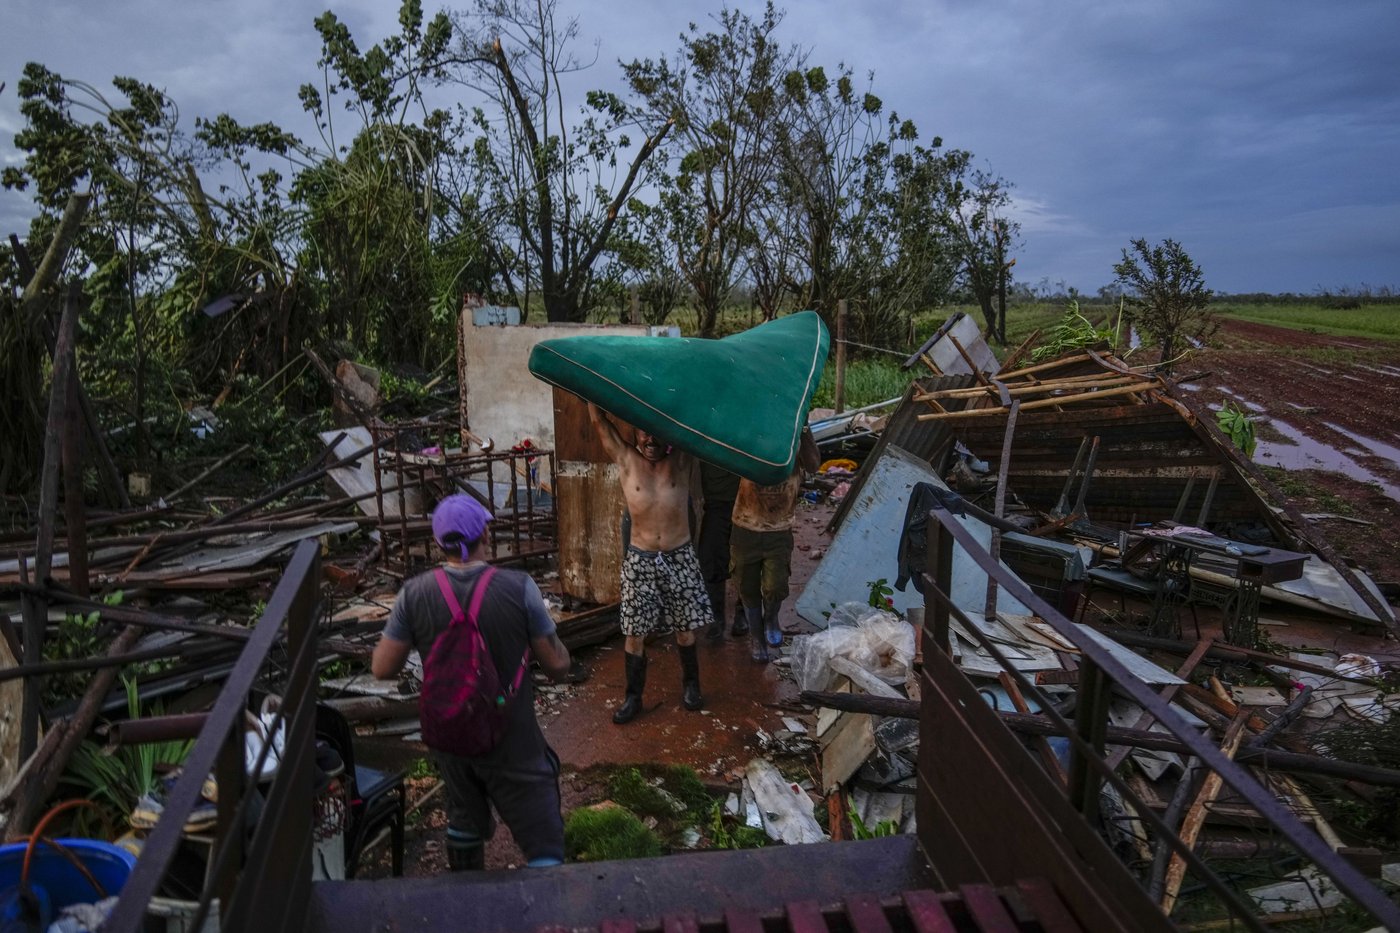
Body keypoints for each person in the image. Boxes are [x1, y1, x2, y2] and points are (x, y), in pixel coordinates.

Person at [371, 494, 572, 871]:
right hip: (512, 738)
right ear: (486, 534)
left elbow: (382, 668)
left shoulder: (413, 594)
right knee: (542, 834)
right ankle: (548, 911)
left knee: (462, 813)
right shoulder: (519, 587)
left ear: (438, 543)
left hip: (451, 738)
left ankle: (467, 897)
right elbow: (558, 665)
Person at [588, 402, 710, 724]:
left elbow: (700, 422)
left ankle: (691, 686)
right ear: (635, 432)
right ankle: (633, 697)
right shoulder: (626, 460)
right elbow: (599, 419)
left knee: (684, 630)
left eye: (657, 434)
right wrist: (589, 389)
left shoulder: (681, 460)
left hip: (679, 555)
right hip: (640, 559)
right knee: (634, 633)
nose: (651, 440)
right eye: (644, 433)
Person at [730, 427, 821, 663]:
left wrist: (804, 431)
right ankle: (757, 637)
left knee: (775, 585)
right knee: (747, 586)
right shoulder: (752, 432)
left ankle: (771, 618)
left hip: (779, 527)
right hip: (745, 525)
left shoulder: (795, 438)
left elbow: (813, 465)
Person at [697, 461, 743, 640]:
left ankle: (743, 613)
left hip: (748, 501)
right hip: (716, 504)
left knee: (747, 563)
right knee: (711, 558)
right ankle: (717, 617)